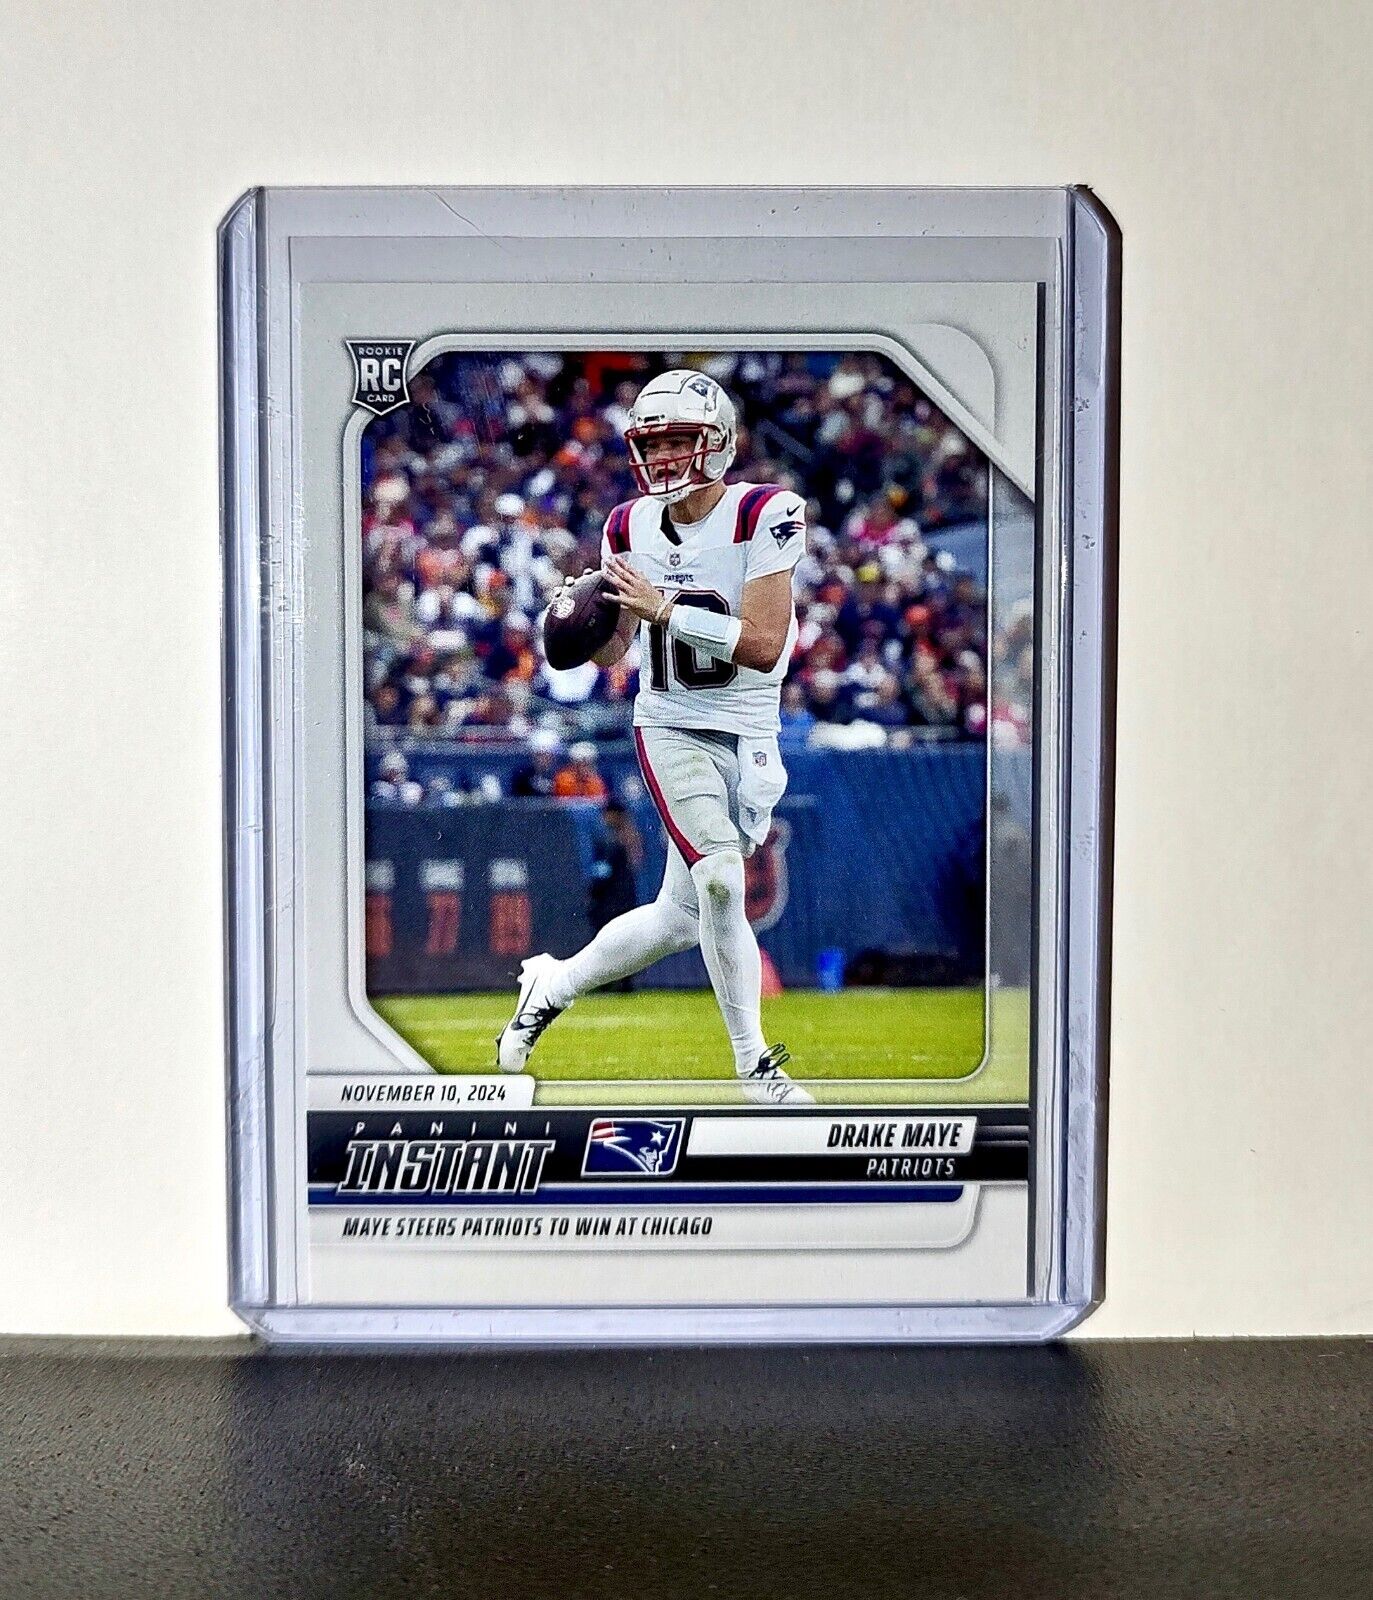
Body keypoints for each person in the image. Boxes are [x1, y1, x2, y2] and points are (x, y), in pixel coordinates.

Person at [496, 370, 812, 1105]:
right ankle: (754, 1068)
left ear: (719, 442)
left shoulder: (765, 512)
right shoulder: (626, 525)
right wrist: (578, 618)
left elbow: (765, 645)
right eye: (654, 442)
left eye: (679, 440)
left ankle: (553, 984)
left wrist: (663, 607)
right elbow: (615, 652)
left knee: (679, 918)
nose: (664, 457)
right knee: (721, 879)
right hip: (671, 722)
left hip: (749, 727)